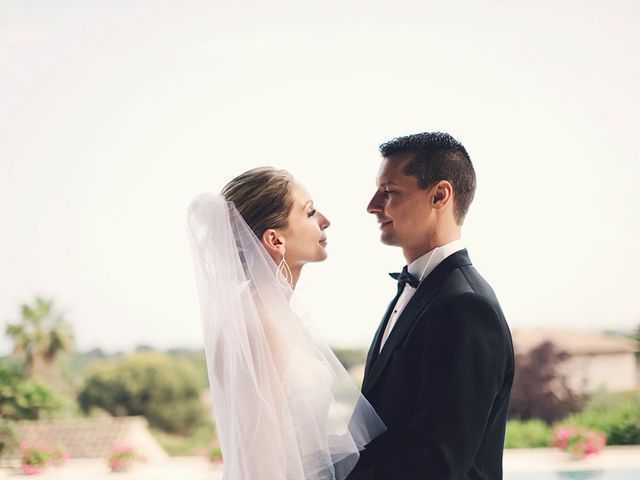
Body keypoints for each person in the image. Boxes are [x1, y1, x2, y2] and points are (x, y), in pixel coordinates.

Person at [187, 167, 385, 480]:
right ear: (275, 239)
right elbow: (260, 458)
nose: (325, 221)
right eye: (310, 213)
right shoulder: (261, 323)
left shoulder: (276, 313)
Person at [347, 132, 515, 479]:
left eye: (389, 192)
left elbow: (436, 463)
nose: (373, 205)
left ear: (439, 195)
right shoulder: (421, 290)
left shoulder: (466, 306)